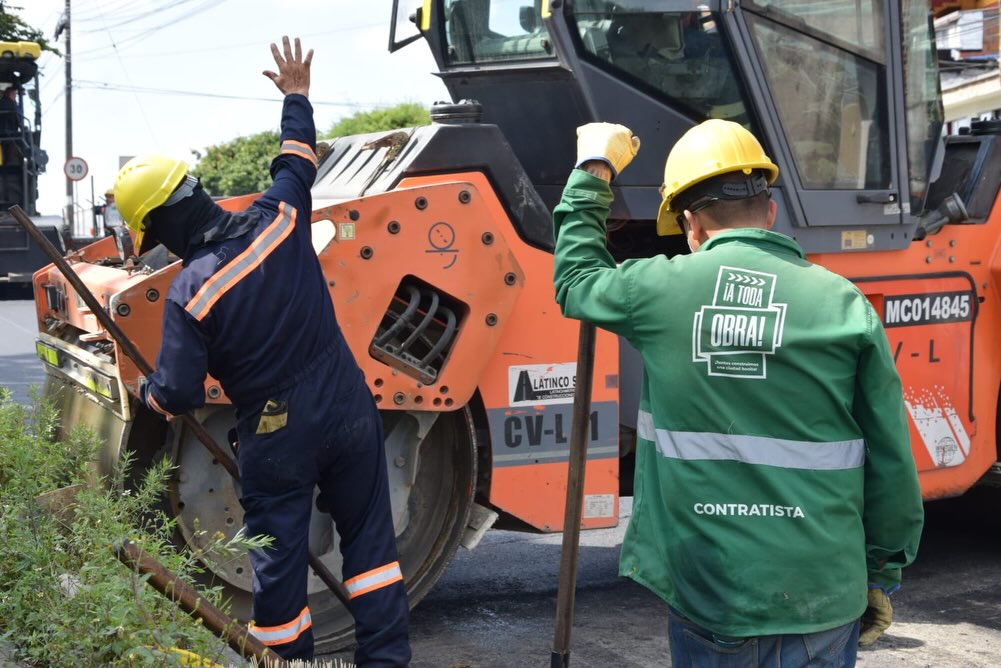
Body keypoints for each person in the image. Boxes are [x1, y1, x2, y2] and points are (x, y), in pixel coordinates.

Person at [552, 120, 924, 666]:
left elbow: (576, 279)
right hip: (822, 592)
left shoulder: (655, 290)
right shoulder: (845, 304)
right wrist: (881, 571)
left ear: (691, 224)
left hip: (713, 593)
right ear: (769, 211)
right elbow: (891, 460)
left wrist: (594, 171)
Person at [112, 36, 410, 666]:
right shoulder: (280, 217)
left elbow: (178, 391)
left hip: (278, 434)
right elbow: (296, 157)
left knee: (278, 567)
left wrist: (148, 394)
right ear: (196, 191)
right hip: (348, 405)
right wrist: (296, 95)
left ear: (161, 225)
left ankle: (288, 662)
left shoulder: (192, 294)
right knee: (372, 549)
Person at [0, 85, 23, 166]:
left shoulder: (2, 103)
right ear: (10, 94)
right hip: (9, 134)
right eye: (14, 94)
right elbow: (19, 119)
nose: (15, 96)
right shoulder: (11, 104)